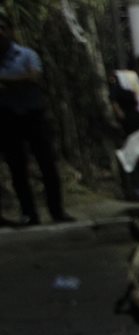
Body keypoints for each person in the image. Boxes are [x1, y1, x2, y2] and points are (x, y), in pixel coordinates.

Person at [0, 10, 71, 224]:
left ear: (11, 31)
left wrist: (5, 81)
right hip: (7, 118)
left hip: (33, 116)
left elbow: (34, 78)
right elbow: (25, 78)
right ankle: (29, 213)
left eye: (2, 28)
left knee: (47, 165)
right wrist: (18, 80)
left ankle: (57, 211)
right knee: (17, 169)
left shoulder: (27, 54)